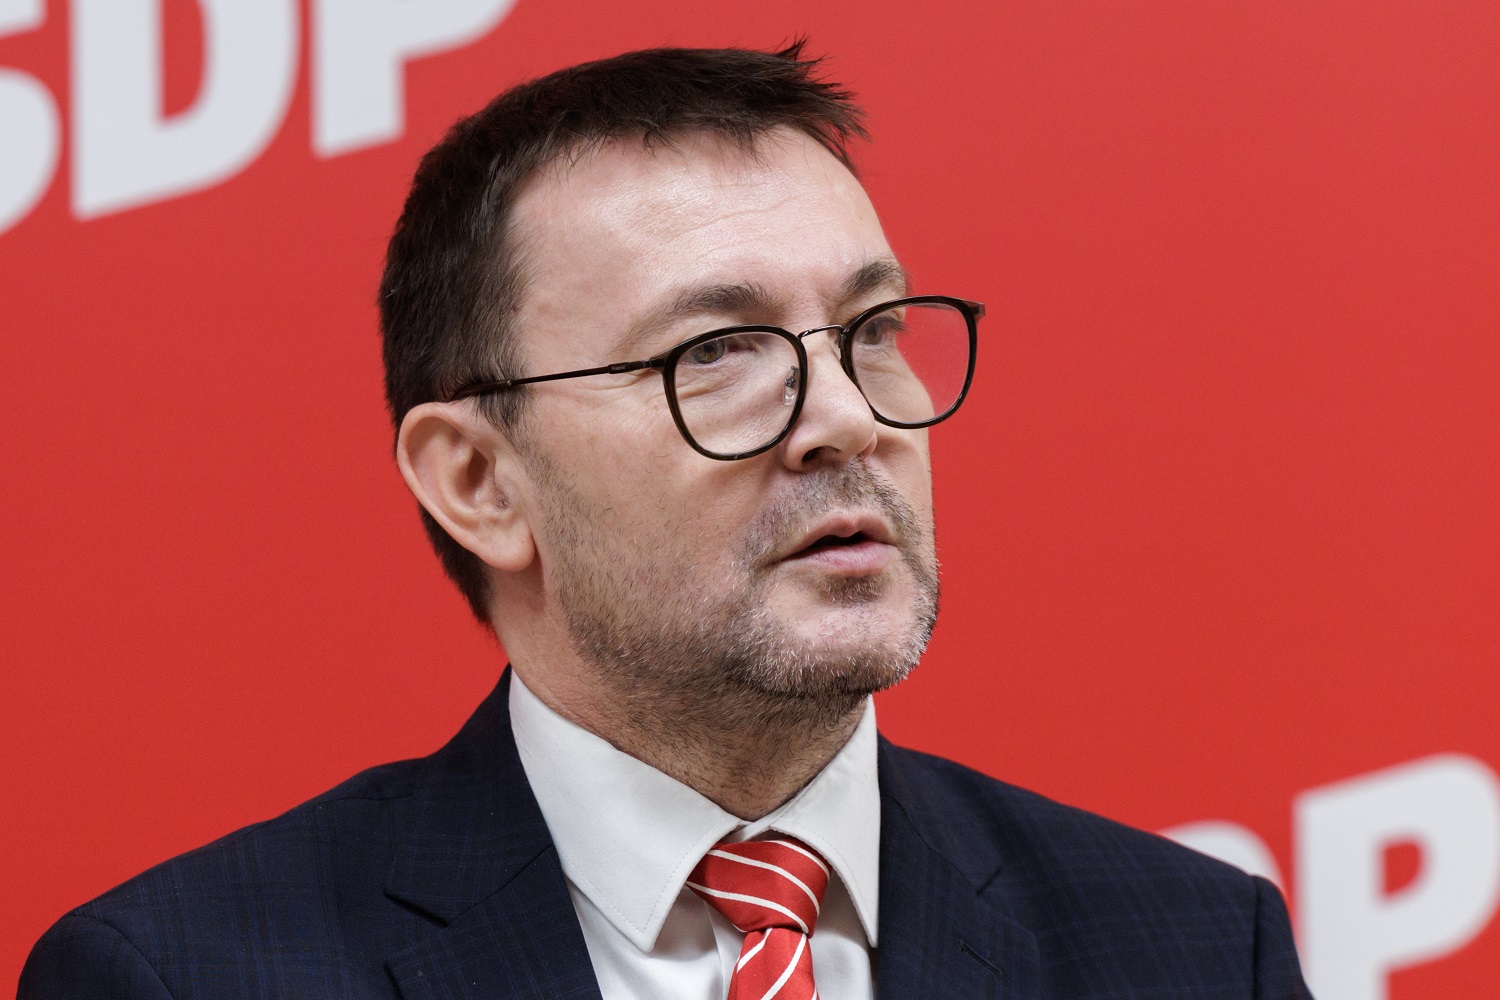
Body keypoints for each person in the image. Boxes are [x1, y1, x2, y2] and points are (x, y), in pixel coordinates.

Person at [20, 44, 1312, 1000]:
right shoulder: (184, 974)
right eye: (718, 352)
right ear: (479, 480)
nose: (846, 418)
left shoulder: (1196, 950)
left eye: (872, 331)